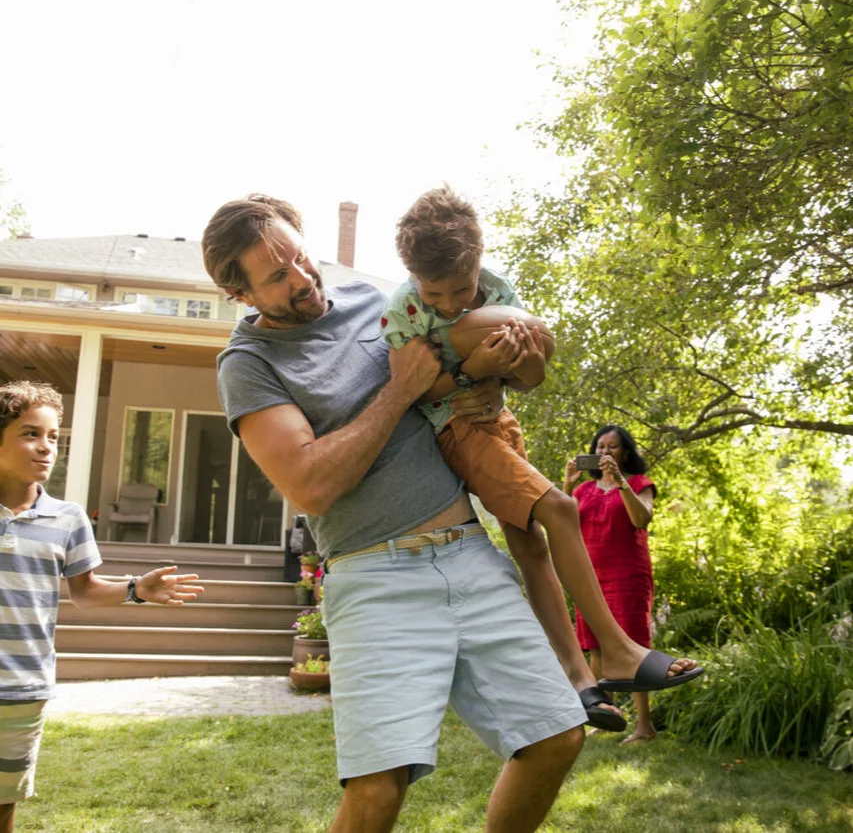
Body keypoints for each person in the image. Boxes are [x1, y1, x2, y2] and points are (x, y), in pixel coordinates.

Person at [204, 193, 590, 833]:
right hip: (373, 576)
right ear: (240, 293)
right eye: (276, 277)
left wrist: (496, 375)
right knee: (378, 793)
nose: (302, 280)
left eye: (300, 259)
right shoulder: (249, 366)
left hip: (467, 552)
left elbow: (474, 361)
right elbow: (310, 485)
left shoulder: (380, 303)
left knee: (556, 737)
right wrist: (400, 389)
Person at [383, 186, 703, 733]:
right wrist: (471, 369)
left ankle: (581, 682)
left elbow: (529, 380)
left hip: (502, 422)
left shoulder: (500, 291)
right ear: (414, 277)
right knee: (560, 508)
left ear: (479, 261)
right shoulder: (405, 309)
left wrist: (511, 366)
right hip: (454, 428)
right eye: (432, 292)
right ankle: (619, 649)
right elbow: (406, 391)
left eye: (459, 290)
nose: (445, 303)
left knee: (531, 545)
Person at [0, 380, 204, 833]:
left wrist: (135, 589)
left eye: (53, 436)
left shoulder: (67, 518)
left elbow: (86, 591)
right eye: (30, 433)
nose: (46, 447)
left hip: (20, 688)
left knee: (2, 807)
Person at [564, 424, 663, 744]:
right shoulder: (582, 491)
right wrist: (566, 485)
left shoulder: (639, 484)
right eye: (600, 447)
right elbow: (563, 526)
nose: (605, 452)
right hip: (589, 575)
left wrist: (620, 483)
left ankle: (644, 726)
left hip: (628, 575)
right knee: (595, 646)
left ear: (626, 453)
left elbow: (641, 519)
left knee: (632, 645)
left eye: (613, 447)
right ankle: (606, 717)